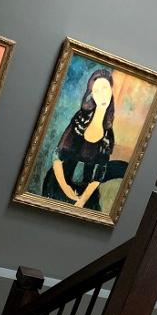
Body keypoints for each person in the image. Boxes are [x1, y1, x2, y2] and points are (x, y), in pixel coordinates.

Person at [41, 69, 115, 211]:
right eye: (97, 91)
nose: (102, 94)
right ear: (92, 95)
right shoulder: (80, 119)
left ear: (111, 91)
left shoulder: (108, 134)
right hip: (60, 182)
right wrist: (66, 189)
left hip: (85, 192)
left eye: (105, 88)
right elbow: (57, 156)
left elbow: (99, 174)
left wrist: (82, 200)